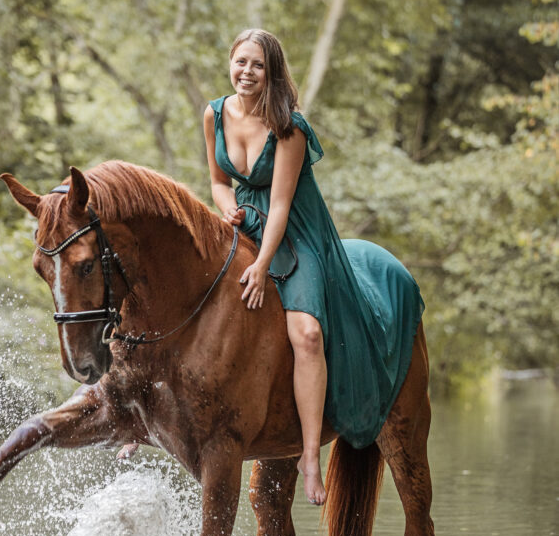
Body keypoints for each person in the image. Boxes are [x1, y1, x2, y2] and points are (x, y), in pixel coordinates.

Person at [122, 29, 424, 506]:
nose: (246, 72)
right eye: (240, 62)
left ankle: (308, 456)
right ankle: (136, 414)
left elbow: (282, 204)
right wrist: (226, 209)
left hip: (296, 236)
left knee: (306, 334)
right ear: (230, 63)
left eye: (257, 65)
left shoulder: (290, 126)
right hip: (242, 226)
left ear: (272, 72)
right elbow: (219, 181)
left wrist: (262, 266)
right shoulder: (214, 113)